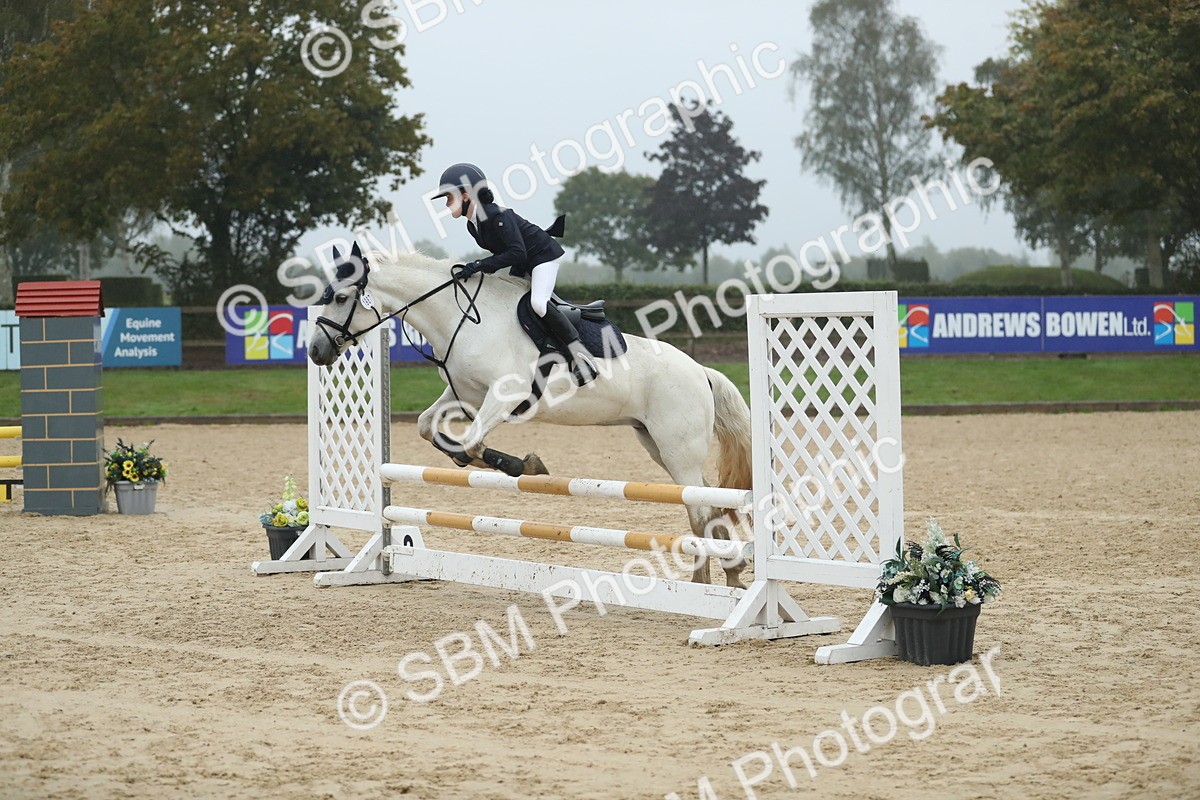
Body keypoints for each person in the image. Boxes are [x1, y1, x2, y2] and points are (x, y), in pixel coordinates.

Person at [434, 162, 599, 386]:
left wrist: (480, 264)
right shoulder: (473, 225)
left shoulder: (497, 216)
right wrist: (477, 268)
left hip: (543, 256)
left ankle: (580, 356)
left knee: (539, 304)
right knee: (510, 304)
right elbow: (506, 254)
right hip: (523, 260)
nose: (446, 204)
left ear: (465, 195)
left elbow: (517, 252)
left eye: (448, 198)